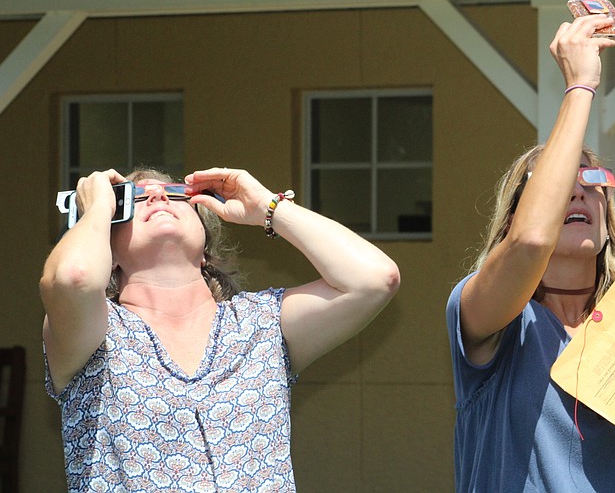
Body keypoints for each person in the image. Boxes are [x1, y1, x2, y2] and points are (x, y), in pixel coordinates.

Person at [40, 166, 400, 492]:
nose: (158, 196)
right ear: (109, 251)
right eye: (133, 200)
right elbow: (73, 277)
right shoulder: (95, 331)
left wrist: (268, 208)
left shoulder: (262, 323)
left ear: (206, 251)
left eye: (175, 194)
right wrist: (96, 209)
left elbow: (373, 280)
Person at [446, 14, 615, 491]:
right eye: (558, 187)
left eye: (593, 181)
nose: (578, 193)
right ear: (515, 217)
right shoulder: (488, 317)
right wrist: (580, 86)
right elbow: (531, 243)